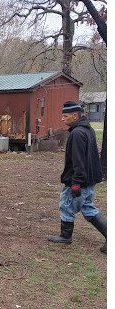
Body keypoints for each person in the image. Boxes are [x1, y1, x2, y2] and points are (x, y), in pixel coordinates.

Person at [48, 101, 107, 252]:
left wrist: (75, 184)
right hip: (89, 179)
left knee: (67, 205)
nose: (62, 119)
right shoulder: (88, 130)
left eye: (65, 116)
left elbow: (78, 162)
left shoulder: (77, 133)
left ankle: (65, 236)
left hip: (79, 180)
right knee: (88, 208)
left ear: (75, 116)